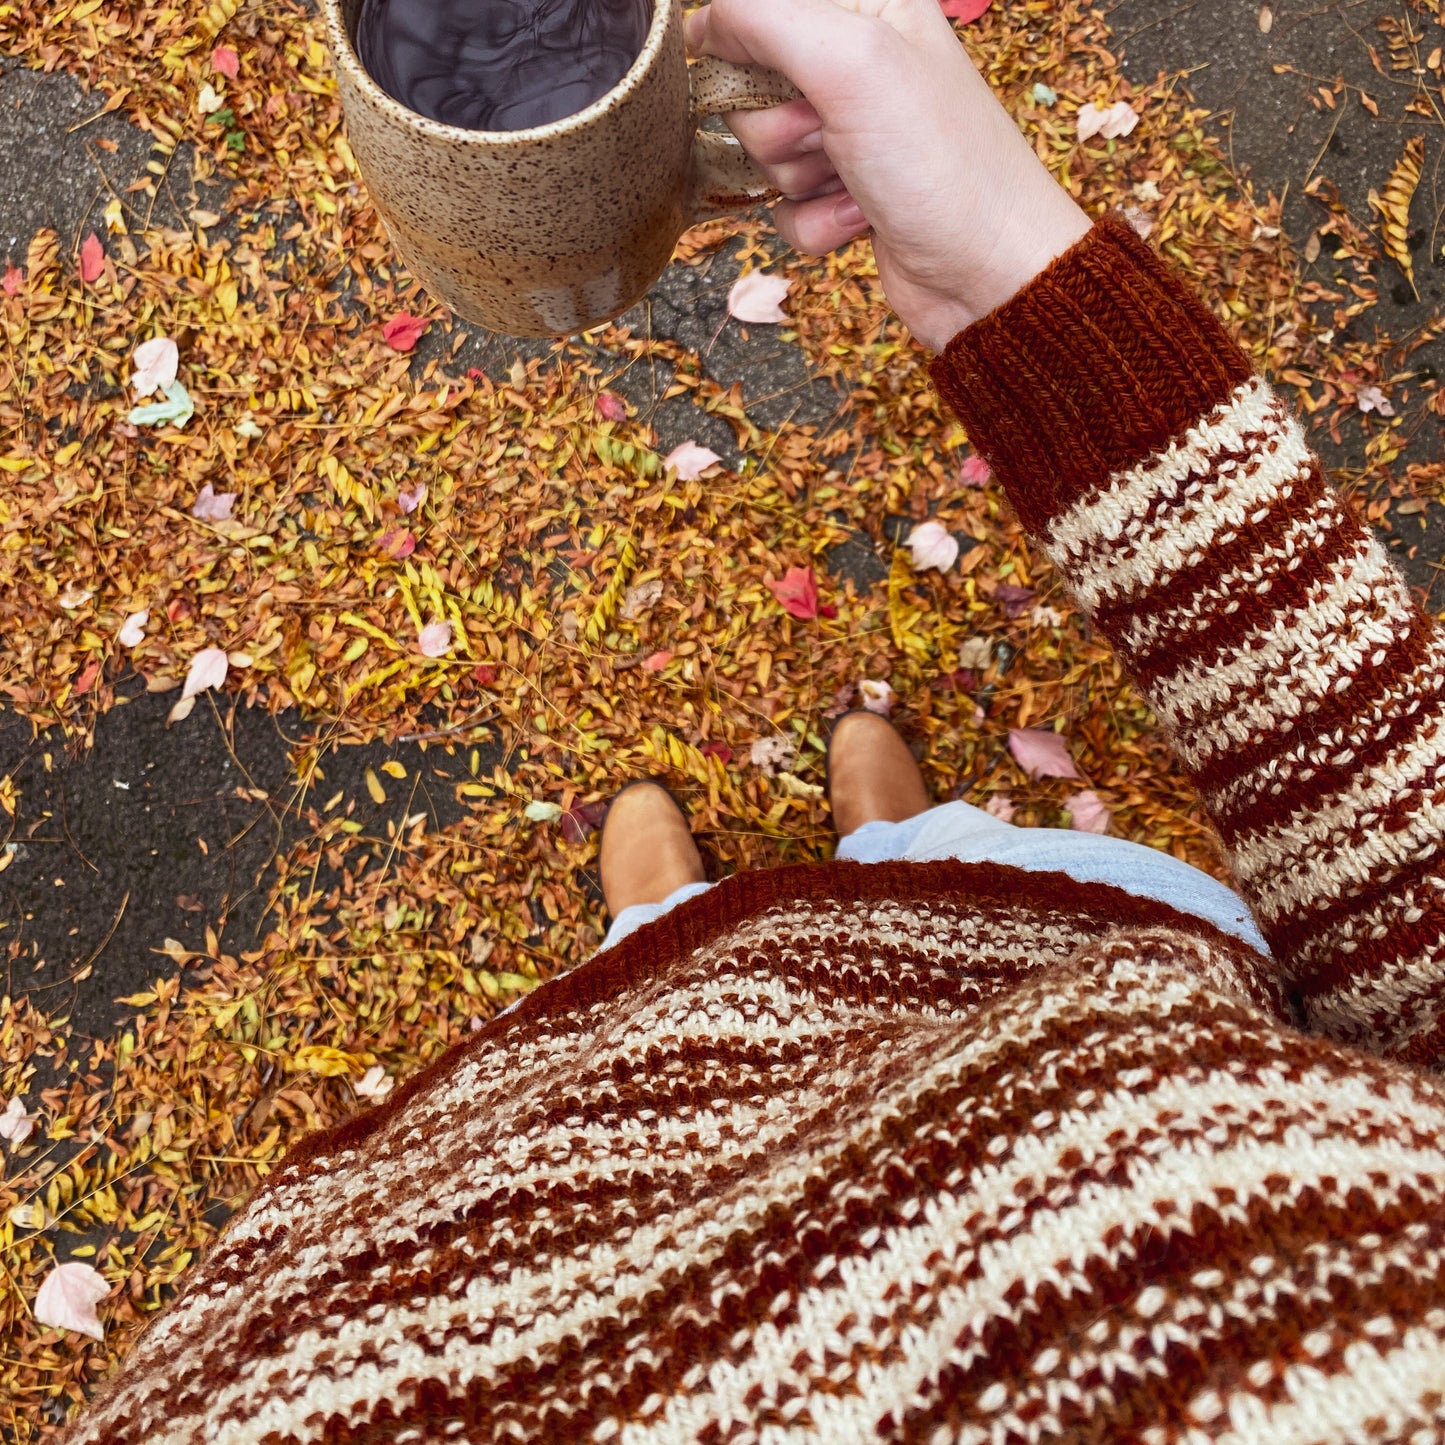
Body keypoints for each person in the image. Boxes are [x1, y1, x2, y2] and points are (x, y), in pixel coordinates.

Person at [62, 0, 1445, 1437]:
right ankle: (894, 847)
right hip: (1032, 972)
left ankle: (662, 935)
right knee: (933, 864)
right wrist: (1004, 282)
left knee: (666, 960)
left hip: (567, 1125)